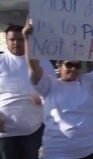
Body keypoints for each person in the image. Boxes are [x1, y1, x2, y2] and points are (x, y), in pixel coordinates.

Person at [22, 21, 93, 158]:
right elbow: (33, 66)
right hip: (58, 152)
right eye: (69, 64)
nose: (73, 68)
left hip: (89, 150)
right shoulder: (48, 85)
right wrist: (27, 39)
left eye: (77, 66)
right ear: (60, 66)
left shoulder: (88, 82)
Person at [0, 25, 56, 159]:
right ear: (6, 40)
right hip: (5, 131)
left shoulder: (42, 62)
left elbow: (53, 89)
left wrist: (42, 98)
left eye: (20, 39)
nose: (16, 43)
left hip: (34, 128)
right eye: (12, 39)